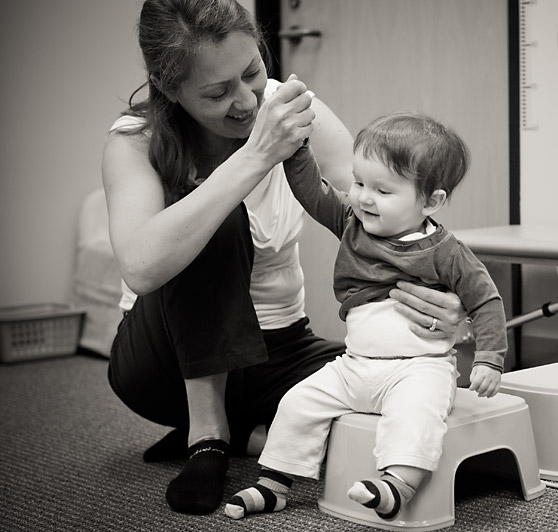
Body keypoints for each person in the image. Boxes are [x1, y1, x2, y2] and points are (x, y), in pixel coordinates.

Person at [102, 0, 468, 516]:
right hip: (163, 363)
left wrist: (445, 298)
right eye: (217, 92)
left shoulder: (296, 110)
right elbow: (140, 267)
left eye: (252, 72)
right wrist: (256, 156)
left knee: (396, 391)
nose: (248, 102)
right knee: (214, 212)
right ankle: (206, 437)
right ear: (169, 90)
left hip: (275, 348)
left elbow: (375, 220)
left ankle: (246, 436)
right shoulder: (136, 140)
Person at [224, 112, 507, 521]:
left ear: (430, 201)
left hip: (419, 368)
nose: (363, 198)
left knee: (417, 415)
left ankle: (397, 485)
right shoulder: (351, 223)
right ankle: (275, 485)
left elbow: (486, 301)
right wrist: (297, 146)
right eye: (359, 183)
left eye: (382, 190)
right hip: (354, 366)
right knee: (298, 401)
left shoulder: (446, 251)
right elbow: (311, 191)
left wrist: (489, 358)